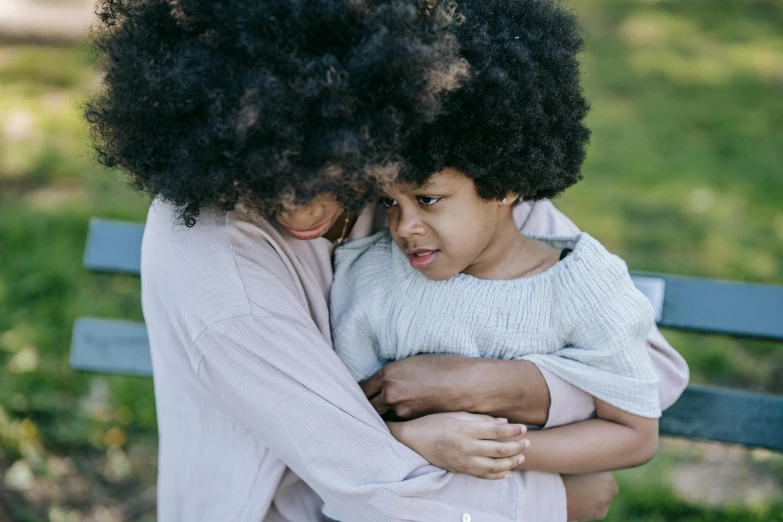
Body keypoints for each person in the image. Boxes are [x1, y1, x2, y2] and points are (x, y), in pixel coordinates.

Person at [85, 0, 689, 520]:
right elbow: (378, 492)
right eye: (263, 181)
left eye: (321, 168)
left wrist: (483, 385)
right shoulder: (217, 272)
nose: (296, 211)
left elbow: (652, 373)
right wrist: (561, 499)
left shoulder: (439, 166)